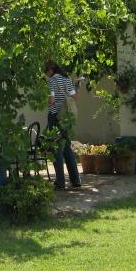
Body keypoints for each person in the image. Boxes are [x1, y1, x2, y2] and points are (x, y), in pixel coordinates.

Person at [44, 60, 81, 190]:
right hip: (67, 117)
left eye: (46, 70)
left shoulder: (52, 81)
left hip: (55, 116)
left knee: (55, 149)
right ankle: (75, 180)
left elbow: (51, 100)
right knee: (66, 147)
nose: (46, 74)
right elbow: (75, 97)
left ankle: (60, 182)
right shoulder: (67, 78)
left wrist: (45, 98)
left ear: (51, 69)